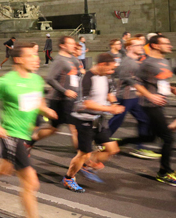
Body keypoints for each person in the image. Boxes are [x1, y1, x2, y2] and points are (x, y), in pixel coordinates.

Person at [0, 43, 57, 217]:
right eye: (31, 56)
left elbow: (38, 101)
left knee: (2, 168)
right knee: (31, 183)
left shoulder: (36, 79)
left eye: (36, 55)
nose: (36, 59)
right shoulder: (7, 81)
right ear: (19, 59)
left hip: (25, 134)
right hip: (11, 134)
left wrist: (46, 110)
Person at [62, 53, 124, 192]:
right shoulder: (87, 78)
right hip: (84, 120)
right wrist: (110, 109)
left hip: (99, 120)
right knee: (83, 154)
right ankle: (69, 178)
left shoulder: (106, 78)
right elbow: (87, 103)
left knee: (112, 149)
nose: (111, 72)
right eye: (110, 69)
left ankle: (87, 164)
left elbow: (109, 94)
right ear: (102, 65)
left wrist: (114, 103)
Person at [134, 35, 176, 186]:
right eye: (166, 43)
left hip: (160, 104)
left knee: (152, 137)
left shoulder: (164, 61)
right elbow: (135, 83)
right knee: (168, 138)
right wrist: (150, 96)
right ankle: (164, 172)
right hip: (149, 105)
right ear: (155, 45)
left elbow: (160, 80)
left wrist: (172, 88)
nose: (170, 45)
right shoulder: (147, 63)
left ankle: (119, 144)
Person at [107, 38, 159, 159]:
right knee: (118, 119)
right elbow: (124, 78)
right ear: (129, 48)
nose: (141, 47)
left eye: (142, 45)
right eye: (138, 45)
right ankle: (101, 140)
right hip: (125, 96)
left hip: (133, 96)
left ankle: (140, 147)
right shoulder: (128, 62)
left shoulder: (134, 61)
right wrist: (147, 93)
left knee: (143, 120)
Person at [32, 36, 80, 148]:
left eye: (74, 43)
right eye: (70, 43)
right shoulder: (59, 60)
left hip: (71, 99)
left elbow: (76, 79)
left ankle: (30, 141)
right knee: (75, 129)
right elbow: (50, 79)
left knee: (53, 128)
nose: (74, 45)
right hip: (60, 100)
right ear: (62, 45)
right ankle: (84, 161)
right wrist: (65, 91)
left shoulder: (73, 60)